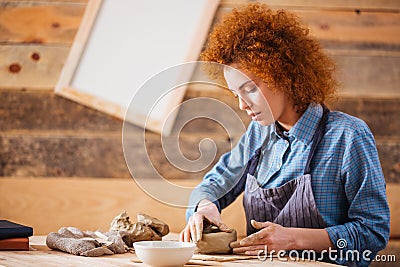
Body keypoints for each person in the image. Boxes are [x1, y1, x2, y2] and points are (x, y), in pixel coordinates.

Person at [179, 3, 390, 266]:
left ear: (284, 75)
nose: (242, 105)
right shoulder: (259, 134)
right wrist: (205, 207)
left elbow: (372, 233)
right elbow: (215, 183)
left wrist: (293, 239)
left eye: (250, 89)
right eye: (236, 94)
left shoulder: (348, 136)